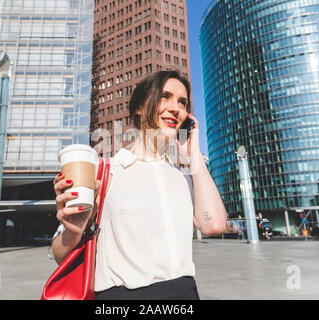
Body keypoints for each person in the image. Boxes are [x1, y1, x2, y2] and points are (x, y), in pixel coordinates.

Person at [51, 70, 227, 300]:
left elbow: (213, 225)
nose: (175, 108)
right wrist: (73, 231)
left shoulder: (184, 176)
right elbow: (58, 253)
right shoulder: (105, 171)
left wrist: (194, 156)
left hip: (184, 295)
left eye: (182, 102)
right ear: (140, 107)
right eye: (165, 96)